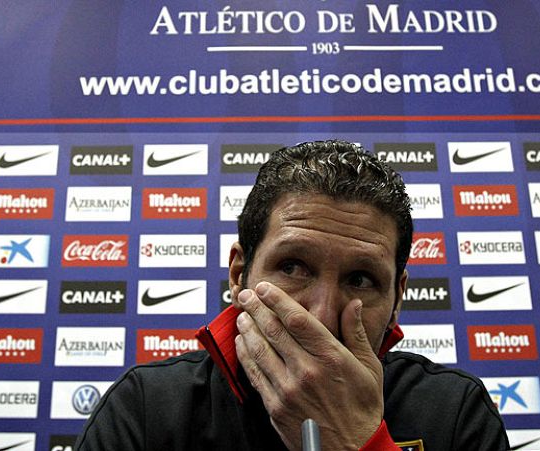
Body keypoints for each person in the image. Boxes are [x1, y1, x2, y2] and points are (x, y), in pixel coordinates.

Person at [75, 140, 509, 450]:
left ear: (397, 298)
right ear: (239, 275)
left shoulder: (455, 412)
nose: (321, 313)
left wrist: (359, 443)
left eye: (360, 279)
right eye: (292, 268)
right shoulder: (147, 407)